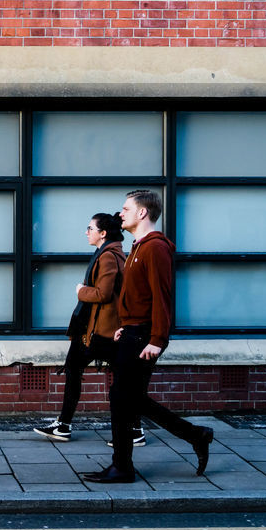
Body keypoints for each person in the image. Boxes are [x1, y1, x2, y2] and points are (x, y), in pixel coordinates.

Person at [83, 189, 214, 484]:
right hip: (132, 330)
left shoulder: (155, 248)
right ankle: (196, 435)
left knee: (121, 398)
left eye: (126, 209)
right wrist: (124, 323)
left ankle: (122, 467)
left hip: (144, 336)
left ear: (143, 213)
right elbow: (137, 295)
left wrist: (157, 339)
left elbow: (162, 296)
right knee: (132, 399)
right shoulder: (138, 247)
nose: (120, 214)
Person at [33, 212, 143, 446]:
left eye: (90, 228)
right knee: (119, 378)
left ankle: (66, 426)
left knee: (77, 369)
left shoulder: (107, 257)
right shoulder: (112, 253)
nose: (87, 232)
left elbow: (103, 294)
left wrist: (80, 290)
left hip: (100, 331)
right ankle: (134, 429)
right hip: (104, 328)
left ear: (102, 233)